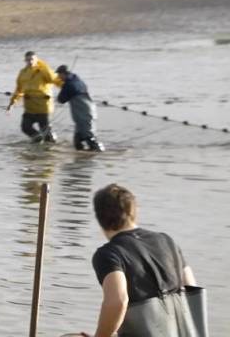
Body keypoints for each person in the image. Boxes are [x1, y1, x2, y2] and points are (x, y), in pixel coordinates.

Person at [82, 184, 198, 337]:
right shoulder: (167, 241)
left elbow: (118, 301)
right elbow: (192, 291)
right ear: (133, 212)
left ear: (100, 219)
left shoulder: (109, 254)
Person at [6, 51, 63, 143]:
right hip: (29, 107)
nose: (30, 61)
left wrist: (67, 88)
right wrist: (12, 103)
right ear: (25, 60)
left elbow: (56, 80)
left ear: (36, 59)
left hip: (43, 106)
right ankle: (38, 139)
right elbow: (18, 90)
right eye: (28, 60)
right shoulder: (22, 73)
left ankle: (50, 145)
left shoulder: (44, 70)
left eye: (32, 59)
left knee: (46, 133)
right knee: (25, 127)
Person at [56, 65, 104, 152]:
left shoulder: (69, 85)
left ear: (63, 74)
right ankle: (83, 160)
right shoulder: (78, 80)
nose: (58, 77)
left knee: (89, 136)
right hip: (88, 111)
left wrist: (62, 88)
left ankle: (100, 155)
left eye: (59, 74)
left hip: (84, 115)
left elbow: (61, 100)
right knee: (77, 140)